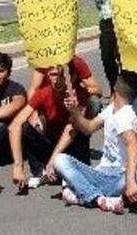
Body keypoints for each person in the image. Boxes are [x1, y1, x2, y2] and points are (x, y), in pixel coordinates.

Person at [54, 71, 137, 214]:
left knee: (63, 167)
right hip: (102, 173)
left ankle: (94, 198)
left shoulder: (124, 115)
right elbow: (88, 128)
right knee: (61, 161)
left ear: (115, 87)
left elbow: (133, 144)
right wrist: (74, 111)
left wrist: (131, 181)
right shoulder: (112, 110)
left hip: (118, 176)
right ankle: (105, 199)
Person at [9, 64, 92, 192]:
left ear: (72, 77)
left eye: (62, 75)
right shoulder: (43, 93)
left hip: (72, 142)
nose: (57, 79)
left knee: (80, 128)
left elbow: (72, 129)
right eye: (53, 75)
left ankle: (71, 171)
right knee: (26, 128)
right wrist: (18, 166)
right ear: (48, 76)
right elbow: (14, 126)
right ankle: (41, 172)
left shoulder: (79, 94)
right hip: (52, 140)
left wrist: (73, 110)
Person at [92, 0, 128, 92]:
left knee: (125, 60)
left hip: (125, 24)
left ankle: (126, 89)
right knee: (107, 58)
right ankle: (114, 87)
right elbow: (97, 1)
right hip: (108, 23)